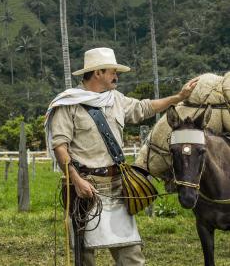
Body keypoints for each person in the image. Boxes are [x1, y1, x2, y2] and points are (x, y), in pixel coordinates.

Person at [45, 47, 198, 266]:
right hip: (86, 189)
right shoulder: (68, 104)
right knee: (84, 255)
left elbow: (144, 108)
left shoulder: (115, 99)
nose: (117, 76)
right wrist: (76, 180)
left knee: (132, 256)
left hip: (118, 186)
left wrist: (179, 97)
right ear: (98, 73)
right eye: (112, 72)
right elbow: (60, 147)